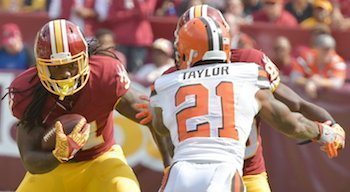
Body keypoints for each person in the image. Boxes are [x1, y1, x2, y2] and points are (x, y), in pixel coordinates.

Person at [152, 4, 346, 192]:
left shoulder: (170, 80)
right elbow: (288, 120)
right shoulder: (248, 71)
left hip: (242, 169)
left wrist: (169, 164)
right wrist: (324, 131)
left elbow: (157, 124)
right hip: (226, 170)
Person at [7, 19, 168, 192]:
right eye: (56, 67)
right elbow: (29, 158)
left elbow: (152, 117)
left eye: (71, 64)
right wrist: (57, 156)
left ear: (85, 58)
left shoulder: (104, 76)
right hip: (54, 169)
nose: (66, 73)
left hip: (101, 160)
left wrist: (168, 166)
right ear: (41, 67)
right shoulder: (27, 90)